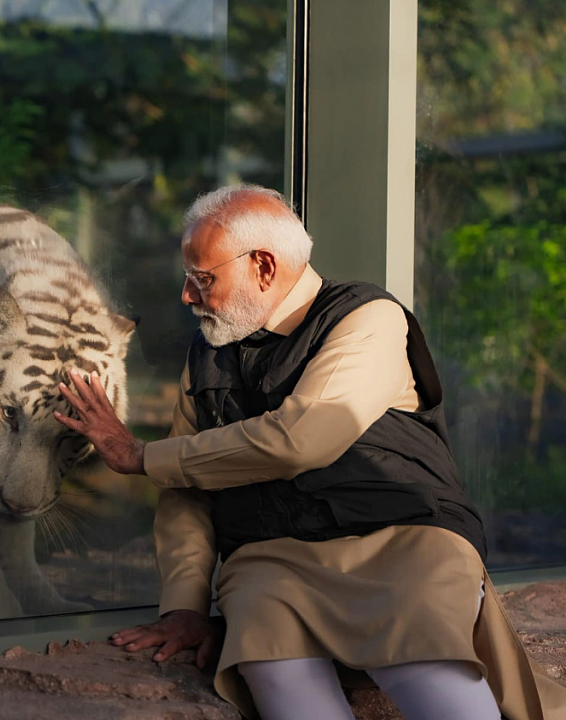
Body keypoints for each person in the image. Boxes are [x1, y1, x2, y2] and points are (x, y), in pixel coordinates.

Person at [53, 185, 566, 720]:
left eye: (202, 278)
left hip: (401, 542)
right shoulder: (203, 358)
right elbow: (187, 493)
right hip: (270, 561)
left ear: (264, 267)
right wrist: (185, 606)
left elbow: (303, 437)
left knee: (431, 662)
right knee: (273, 662)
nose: (187, 296)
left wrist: (142, 457)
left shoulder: (367, 317)